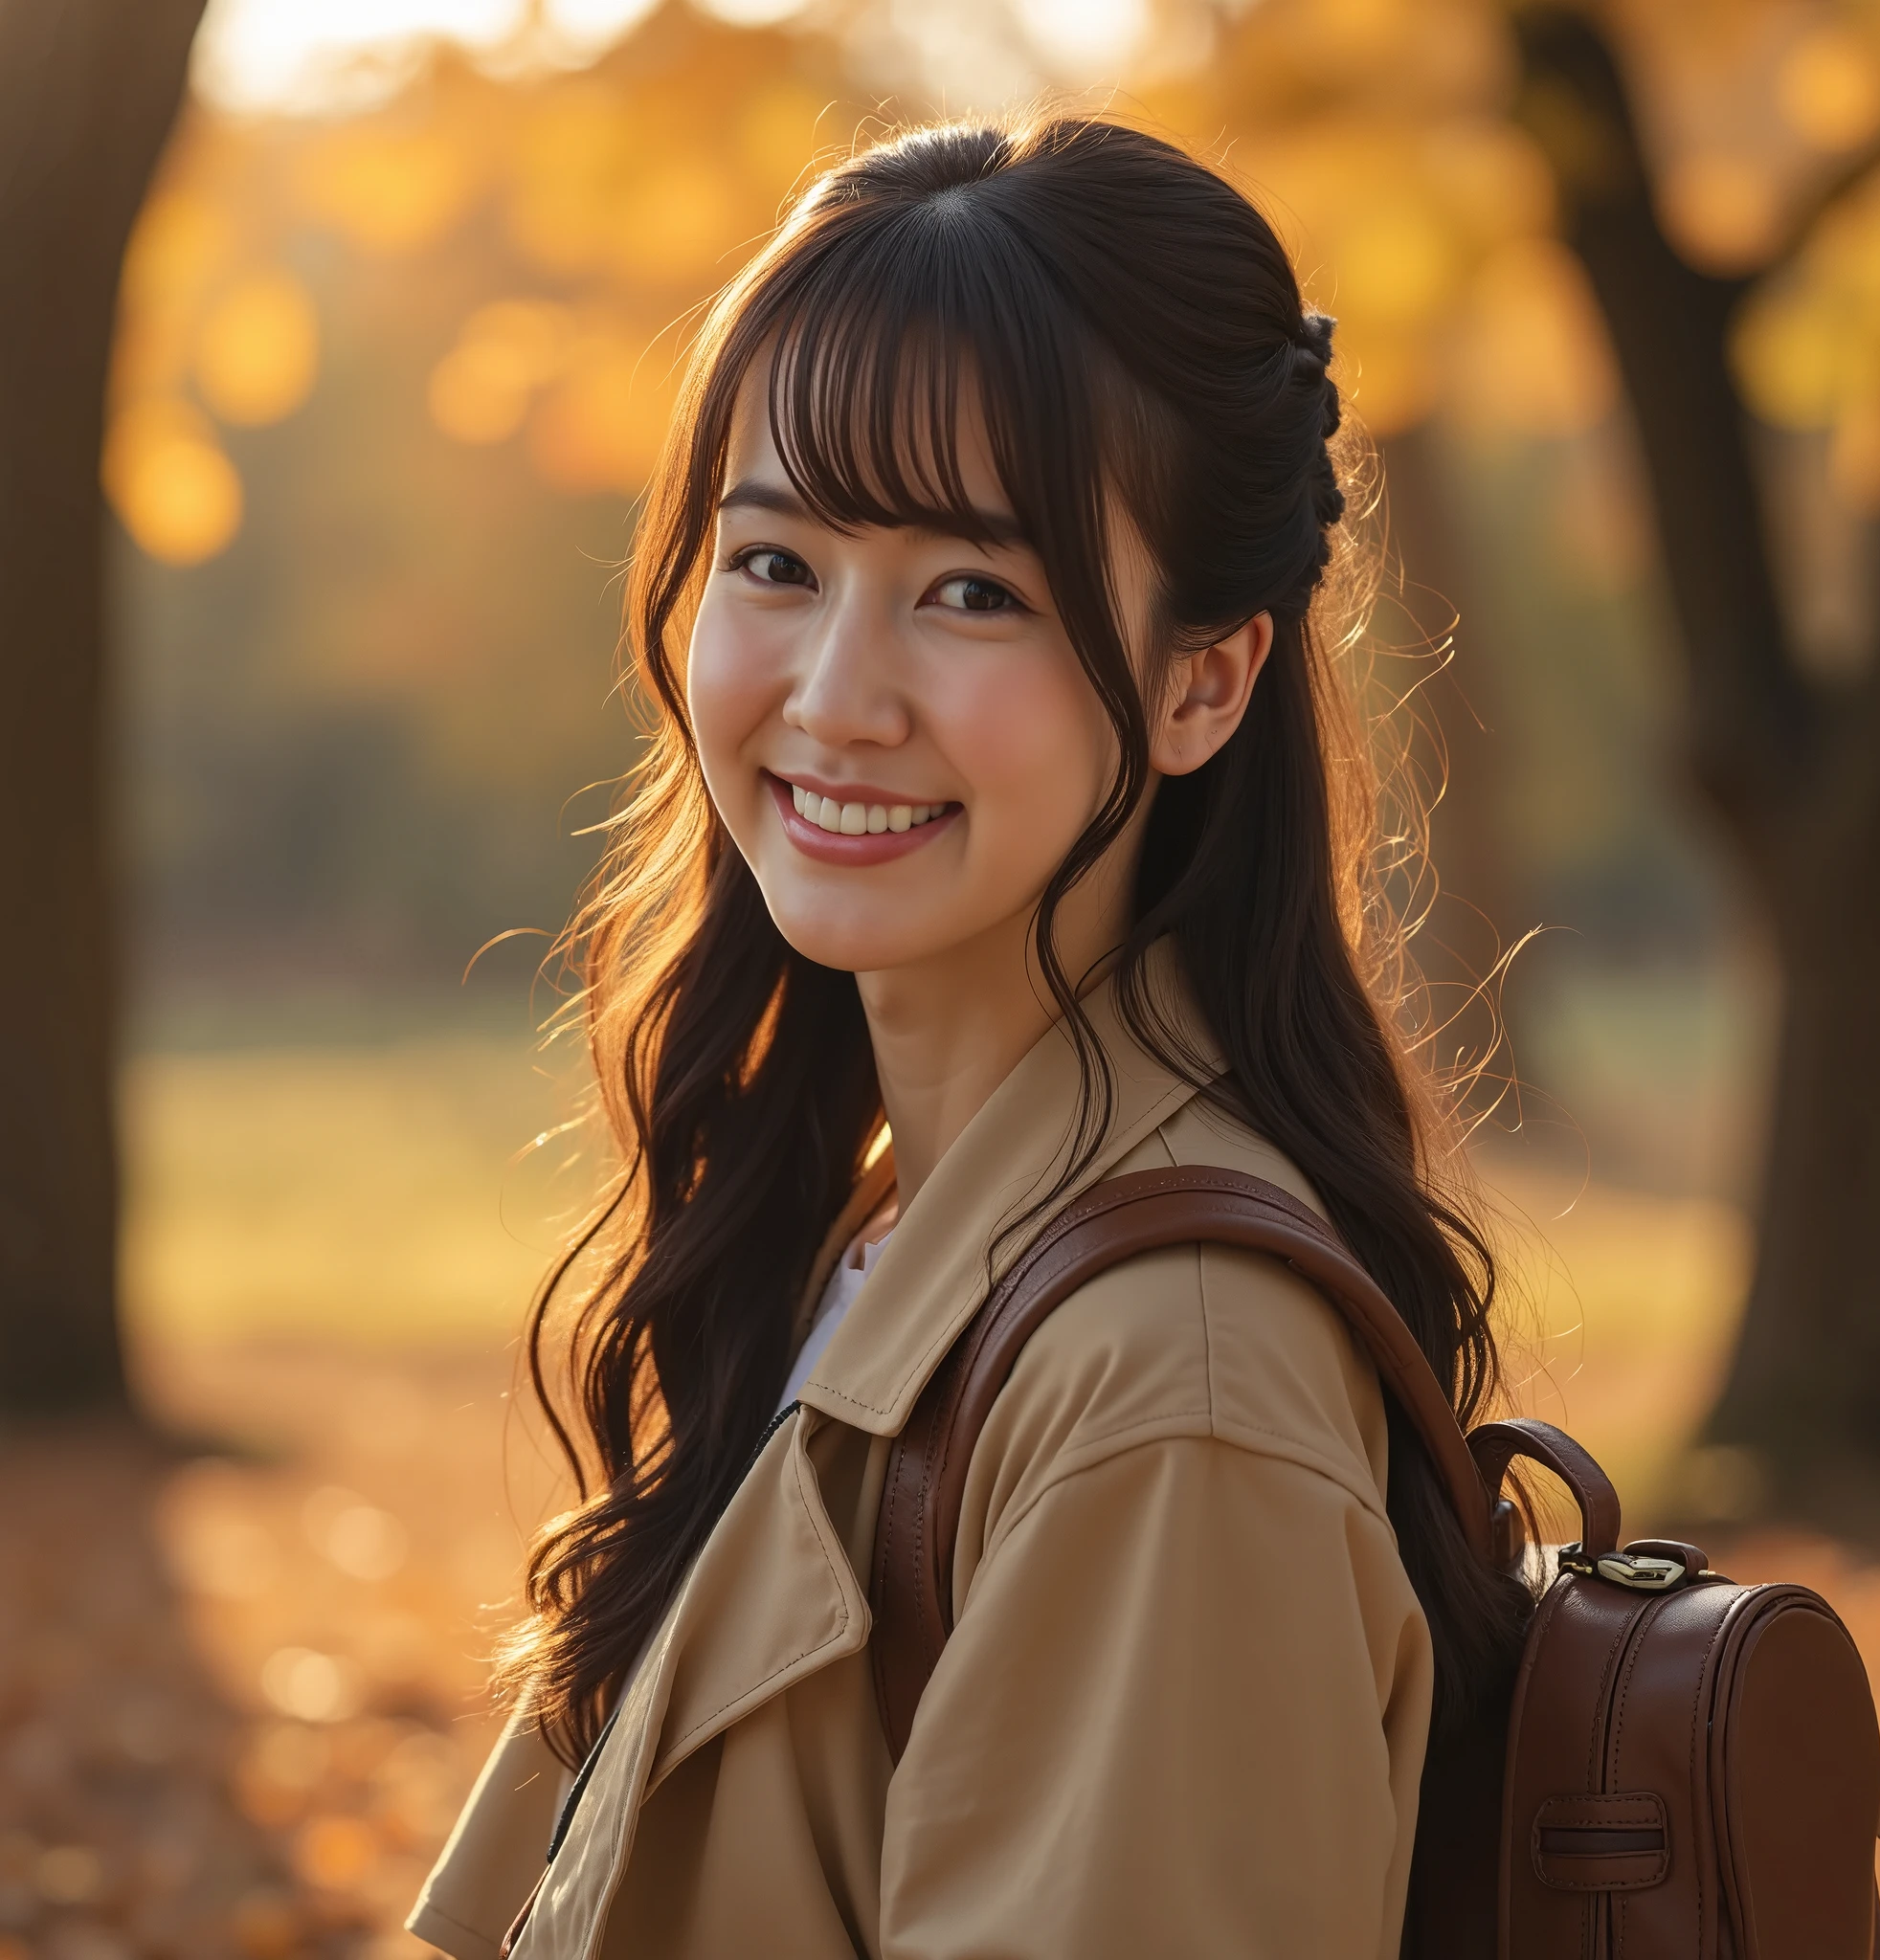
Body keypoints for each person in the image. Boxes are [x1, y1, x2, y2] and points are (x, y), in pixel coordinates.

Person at [409, 112, 1524, 1960]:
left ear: (1201, 679)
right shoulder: (882, 1241)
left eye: (972, 593)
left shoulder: (1173, 1381)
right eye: (775, 563)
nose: (837, 698)